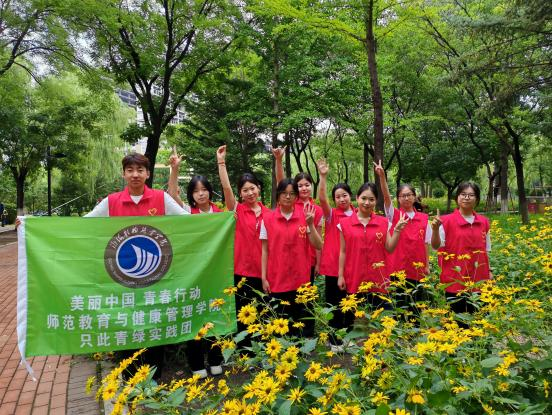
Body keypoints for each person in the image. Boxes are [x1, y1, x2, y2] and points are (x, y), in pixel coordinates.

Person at [85, 153, 189, 379]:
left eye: (140, 170)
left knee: (154, 326)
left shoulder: (161, 199)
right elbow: (82, 225)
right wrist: (31, 224)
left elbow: (187, 220)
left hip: (155, 280)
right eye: (130, 170)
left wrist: (223, 219)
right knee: (126, 328)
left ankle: (154, 379)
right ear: (123, 174)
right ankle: (130, 380)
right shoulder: (111, 202)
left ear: (148, 174)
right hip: (122, 282)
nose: (135, 175)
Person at [166, 148, 224, 378]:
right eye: (196, 191)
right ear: (191, 195)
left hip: (216, 274)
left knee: (216, 315)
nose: (201, 194)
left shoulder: (220, 214)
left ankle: (216, 358)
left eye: (204, 190)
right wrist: (174, 169)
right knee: (194, 316)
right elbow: (171, 195)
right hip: (192, 275)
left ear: (210, 192)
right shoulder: (186, 213)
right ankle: (197, 363)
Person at [216, 145, 270, 344]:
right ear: (240, 193)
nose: (249, 193)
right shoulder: (237, 210)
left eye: (252, 188)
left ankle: (264, 349)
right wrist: (221, 162)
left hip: (264, 272)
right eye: (245, 190)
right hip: (242, 272)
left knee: (264, 312)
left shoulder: (269, 214)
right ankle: (245, 350)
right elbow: (226, 188)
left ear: (259, 189)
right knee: (244, 313)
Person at [260, 179, 323, 336]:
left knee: (302, 318)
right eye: (284, 193)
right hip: (277, 278)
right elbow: (265, 251)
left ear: (296, 196)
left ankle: (304, 345)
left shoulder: (304, 216)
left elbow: (318, 245)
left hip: (301, 278)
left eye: (292, 193)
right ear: (278, 196)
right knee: (281, 321)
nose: (288, 197)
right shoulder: (267, 219)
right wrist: (264, 277)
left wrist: (310, 224)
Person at [374, 161, 432, 315]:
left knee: (416, 305)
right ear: (398, 199)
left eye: (409, 195)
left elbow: (426, 244)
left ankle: (415, 327)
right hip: (397, 267)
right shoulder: (394, 215)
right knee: (399, 304)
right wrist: (382, 177)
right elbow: (386, 197)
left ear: (414, 197)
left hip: (417, 268)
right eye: (403, 196)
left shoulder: (424, 218)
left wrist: (426, 265)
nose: (406, 198)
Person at [431, 182, 492, 315]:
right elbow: (435, 246)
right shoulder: (445, 221)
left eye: (471, 195)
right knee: (459, 322)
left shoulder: (484, 222)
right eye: (463, 194)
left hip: (480, 280)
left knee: (481, 320)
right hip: (454, 280)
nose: (466, 198)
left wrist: (489, 272)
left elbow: (486, 250)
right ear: (457, 197)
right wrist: (435, 230)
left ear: (477, 199)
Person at [316, 159, 356, 349]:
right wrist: (323, 176)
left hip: (353, 266)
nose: (342, 199)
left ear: (351, 196)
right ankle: (334, 339)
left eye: (344, 195)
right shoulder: (331, 215)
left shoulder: (358, 214)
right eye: (338, 197)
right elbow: (322, 198)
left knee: (351, 303)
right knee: (334, 303)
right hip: (333, 266)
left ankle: (348, 337)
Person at [273, 147, 324, 282]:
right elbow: (281, 182)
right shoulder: (290, 204)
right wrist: (279, 160)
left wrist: (318, 263)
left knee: (306, 293)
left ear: (312, 186)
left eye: (307, 185)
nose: (304, 188)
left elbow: (318, 236)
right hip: (286, 258)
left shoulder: (317, 210)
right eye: (300, 186)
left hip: (309, 261)